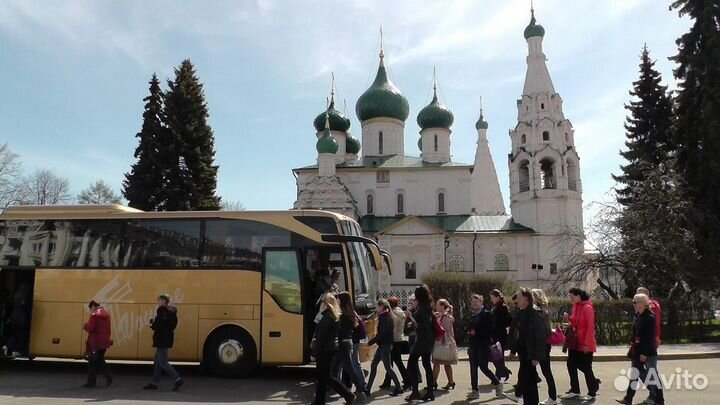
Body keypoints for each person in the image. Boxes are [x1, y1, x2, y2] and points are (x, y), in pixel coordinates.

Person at [615, 293, 665, 405]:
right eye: (633, 302)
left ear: (643, 303)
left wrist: (644, 353)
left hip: (647, 352)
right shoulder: (638, 315)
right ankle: (628, 398)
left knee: (651, 376)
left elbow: (649, 337)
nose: (634, 304)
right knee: (634, 374)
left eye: (636, 302)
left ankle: (659, 399)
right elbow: (636, 332)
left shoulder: (649, 317)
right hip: (637, 350)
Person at [312, 293, 355, 405]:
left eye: (322, 303)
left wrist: (314, 353)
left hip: (325, 350)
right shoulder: (334, 315)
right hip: (331, 348)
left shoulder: (327, 317)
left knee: (325, 376)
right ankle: (319, 401)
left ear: (326, 304)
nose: (321, 304)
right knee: (323, 377)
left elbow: (321, 337)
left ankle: (348, 394)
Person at [560, 288, 600, 401]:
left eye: (572, 297)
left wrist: (587, 344)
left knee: (586, 367)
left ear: (579, 296)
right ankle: (575, 389)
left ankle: (592, 390)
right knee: (571, 364)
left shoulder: (587, 308)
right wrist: (568, 321)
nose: (571, 299)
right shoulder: (576, 307)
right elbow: (575, 322)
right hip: (575, 341)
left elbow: (590, 327)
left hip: (584, 342)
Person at [331, 292, 367, 401]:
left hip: (344, 345)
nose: (336, 301)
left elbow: (339, 329)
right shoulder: (349, 312)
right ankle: (342, 390)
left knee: (349, 369)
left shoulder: (342, 314)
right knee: (334, 369)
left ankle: (360, 391)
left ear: (341, 301)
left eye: (337, 299)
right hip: (345, 344)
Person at [143, 294, 184, 391]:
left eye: (159, 300)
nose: (158, 302)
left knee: (163, 362)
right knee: (157, 361)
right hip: (167, 337)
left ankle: (178, 379)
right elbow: (171, 324)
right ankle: (154, 382)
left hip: (162, 338)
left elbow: (159, 323)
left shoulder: (162, 310)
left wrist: (153, 324)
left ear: (164, 301)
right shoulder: (172, 312)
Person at [467, 294, 503, 400]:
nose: (474, 303)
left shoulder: (486, 314)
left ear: (481, 302)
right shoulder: (472, 315)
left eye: (476, 301)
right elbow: (470, 329)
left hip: (483, 345)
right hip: (473, 345)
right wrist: (470, 333)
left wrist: (476, 332)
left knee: (483, 368)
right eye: (473, 302)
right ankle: (475, 391)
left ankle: (497, 383)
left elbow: (490, 330)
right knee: (473, 368)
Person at [515, 288, 548, 405]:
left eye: (518, 298)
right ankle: (525, 399)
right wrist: (513, 350)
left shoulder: (535, 313)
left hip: (531, 353)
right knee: (528, 380)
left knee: (529, 381)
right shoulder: (521, 312)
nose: (516, 300)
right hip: (523, 352)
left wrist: (536, 356)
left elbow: (539, 336)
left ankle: (522, 397)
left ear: (525, 299)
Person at [366, 299, 404, 397]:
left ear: (382, 307)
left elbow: (381, 334)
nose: (376, 308)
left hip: (385, 345)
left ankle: (399, 387)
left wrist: (370, 342)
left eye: (377, 306)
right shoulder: (386, 316)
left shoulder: (385, 318)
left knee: (388, 368)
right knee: (374, 365)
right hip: (383, 345)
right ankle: (368, 388)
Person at [405, 286, 435, 401]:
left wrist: (411, 319)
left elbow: (421, 325)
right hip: (428, 339)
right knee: (426, 365)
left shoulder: (422, 308)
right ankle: (430, 393)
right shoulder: (427, 306)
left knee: (411, 365)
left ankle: (415, 392)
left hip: (422, 339)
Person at [532, 289, 557, 405]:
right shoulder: (542, 309)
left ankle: (552, 397)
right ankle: (552, 397)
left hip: (543, 344)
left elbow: (545, 330)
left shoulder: (540, 311)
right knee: (545, 371)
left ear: (537, 297)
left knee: (546, 371)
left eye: (532, 296)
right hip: (543, 344)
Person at [636, 286, 662, 404]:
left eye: (638, 298)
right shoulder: (640, 311)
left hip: (650, 343)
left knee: (652, 371)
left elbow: (651, 328)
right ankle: (655, 396)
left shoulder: (651, 308)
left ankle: (657, 398)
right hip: (645, 344)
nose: (635, 301)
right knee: (644, 370)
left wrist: (654, 340)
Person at [380, 296, 409, 390]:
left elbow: (393, 327)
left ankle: (407, 381)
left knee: (396, 361)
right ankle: (387, 381)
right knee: (391, 362)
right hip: (398, 339)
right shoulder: (399, 312)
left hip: (395, 340)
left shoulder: (395, 314)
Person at [83, 300, 113, 388]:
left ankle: (92, 382)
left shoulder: (94, 315)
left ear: (92, 306)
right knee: (100, 360)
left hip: (95, 343)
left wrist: (85, 326)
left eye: (90, 308)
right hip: (104, 342)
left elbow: (91, 328)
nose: (90, 310)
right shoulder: (106, 314)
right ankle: (108, 376)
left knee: (92, 363)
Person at [432, 298, 457, 390]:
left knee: (437, 362)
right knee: (445, 363)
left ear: (442, 306)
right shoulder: (443, 316)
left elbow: (445, 330)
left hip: (444, 342)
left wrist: (437, 319)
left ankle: (434, 382)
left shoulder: (446, 317)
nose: (436, 306)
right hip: (445, 342)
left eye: (438, 304)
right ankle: (450, 381)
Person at [490, 289, 513, 382]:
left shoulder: (503, 307)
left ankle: (498, 376)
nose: (491, 300)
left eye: (492, 298)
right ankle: (504, 371)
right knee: (495, 356)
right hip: (495, 334)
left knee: (499, 356)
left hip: (500, 335)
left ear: (498, 297)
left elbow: (508, 321)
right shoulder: (495, 307)